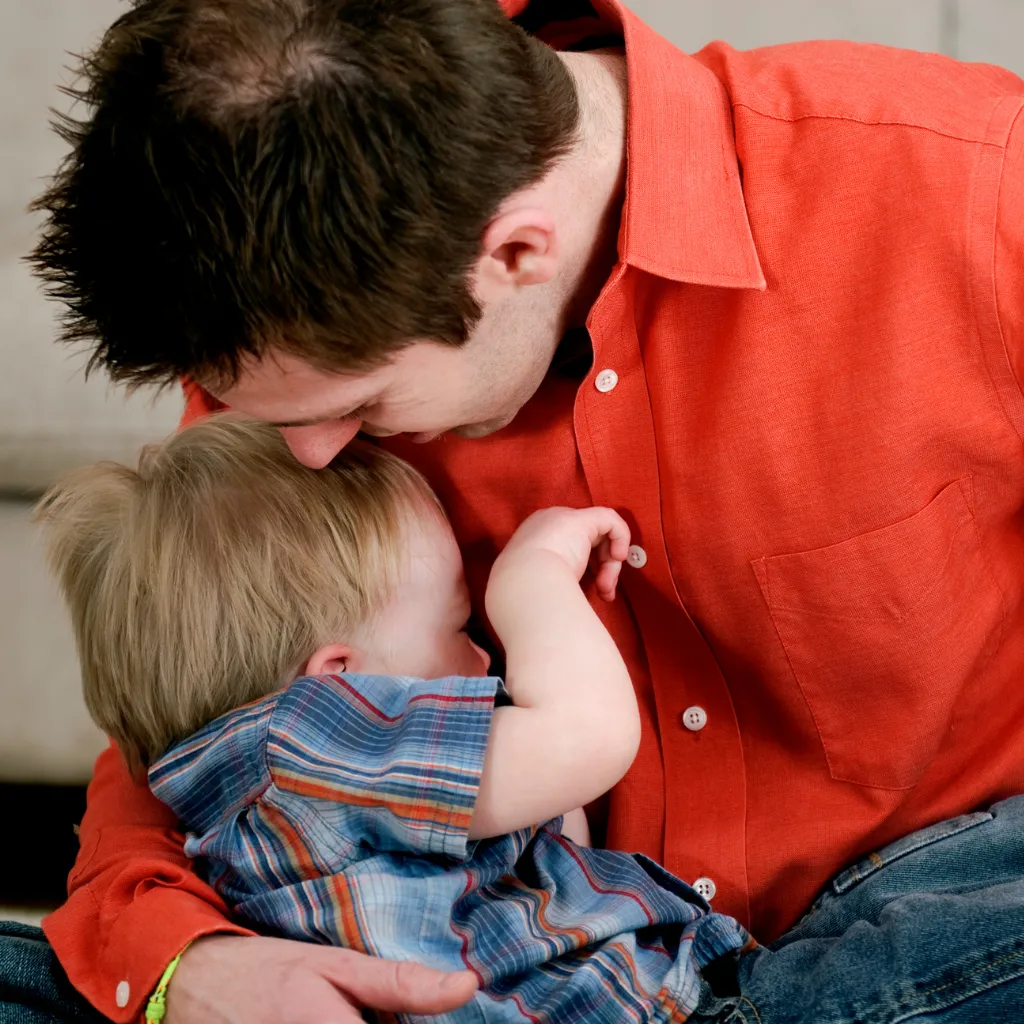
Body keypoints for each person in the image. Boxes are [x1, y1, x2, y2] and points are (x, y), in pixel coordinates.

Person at [9, 0, 1024, 1021]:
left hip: (916, 921)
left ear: (515, 255)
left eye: (361, 405)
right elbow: (201, 722)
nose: (308, 452)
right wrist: (189, 968)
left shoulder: (976, 182)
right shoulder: (289, 354)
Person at [37, 413, 756, 1022]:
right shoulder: (312, 740)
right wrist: (531, 579)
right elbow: (590, 738)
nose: (485, 657)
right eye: (457, 623)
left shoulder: (247, 795)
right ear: (340, 682)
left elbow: (559, 840)